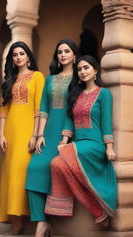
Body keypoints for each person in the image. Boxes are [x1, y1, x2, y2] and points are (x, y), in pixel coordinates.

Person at [45, 55, 117, 226]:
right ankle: (97, 212)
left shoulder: (103, 93)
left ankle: (98, 209)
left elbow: (107, 122)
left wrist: (110, 147)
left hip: (95, 146)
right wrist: (64, 140)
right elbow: (69, 120)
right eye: (79, 69)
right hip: (78, 145)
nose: (82, 71)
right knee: (56, 164)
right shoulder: (76, 94)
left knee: (63, 159)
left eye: (86, 68)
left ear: (95, 71)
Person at [25, 39, 79, 237]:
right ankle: (41, 221)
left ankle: (43, 225)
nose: (63, 55)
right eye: (59, 52)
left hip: (69, 131)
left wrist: (65, 137)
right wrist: (39, 135)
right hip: (49, 132)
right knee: (33, 168)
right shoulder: (50, 79)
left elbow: (74, 110)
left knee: (52, 166)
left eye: (67, 51)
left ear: (74, 55)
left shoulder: (79, 78)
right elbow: (44, 109)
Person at [0, 41, 45, 234]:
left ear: (28, 56)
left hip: (28, 130)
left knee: (24, 172)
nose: (18, 57)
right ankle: (15, 221)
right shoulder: (10, 79)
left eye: (22, 53)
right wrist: (0, 133)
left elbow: (38, 107)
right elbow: (4, 108)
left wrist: (35, 134)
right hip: (10, 131)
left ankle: (31, 219)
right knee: (11, 173)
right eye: (15, 54)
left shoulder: (37, 77)